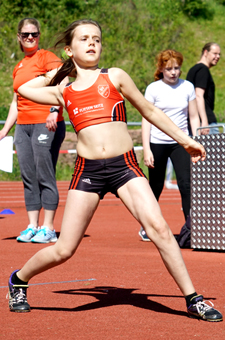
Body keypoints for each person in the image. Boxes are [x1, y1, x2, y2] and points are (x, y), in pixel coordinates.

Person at [7, 19, 222, 322]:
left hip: (124, 166)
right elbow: (22, 87)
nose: (92, 43)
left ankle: (193, 299)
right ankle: (19, 279)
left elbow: (149, 110)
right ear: (70, 48)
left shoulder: (115, 76)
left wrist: (186, 141)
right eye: (84, 39)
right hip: (88, 171)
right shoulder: (63, 92)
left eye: (96, 38)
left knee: (159, 228)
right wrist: (61, 72)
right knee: (64, 249)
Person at [0, 18, 66, 243]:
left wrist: (54, 111)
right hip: (23, 126)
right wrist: (5, 130)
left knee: (43, 173)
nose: (30, 38)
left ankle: (48, 228)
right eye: (26, 34)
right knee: (28, 176)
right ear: (19, 37)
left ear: (39, 36)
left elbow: (62, 80)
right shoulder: (18, 66)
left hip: (45, 122)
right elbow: (15, 101)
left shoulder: (46, 57)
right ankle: (32, 226)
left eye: (34, 34)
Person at [139, 49, 200, 243]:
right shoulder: (153, 89)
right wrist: (147, 148)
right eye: (169, 69)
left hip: (181, 142)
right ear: (161, 69)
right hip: (157, 142)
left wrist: (195, 141)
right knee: (155, 186)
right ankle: (147, 226)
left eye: (177, 68)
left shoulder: (188, 87)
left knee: (186, 184)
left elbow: (193, 116)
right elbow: (146, 120)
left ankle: (192, 228)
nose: (174, 72)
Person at [186, 42, 221, 135]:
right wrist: (204, 121)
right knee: (213, 149)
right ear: (205, 53)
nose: (218, 57)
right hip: (205, 122)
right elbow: (198, 95)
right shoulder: (202, 69)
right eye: (215, 53)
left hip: (195, 120)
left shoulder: (194, 69)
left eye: (219, 54)